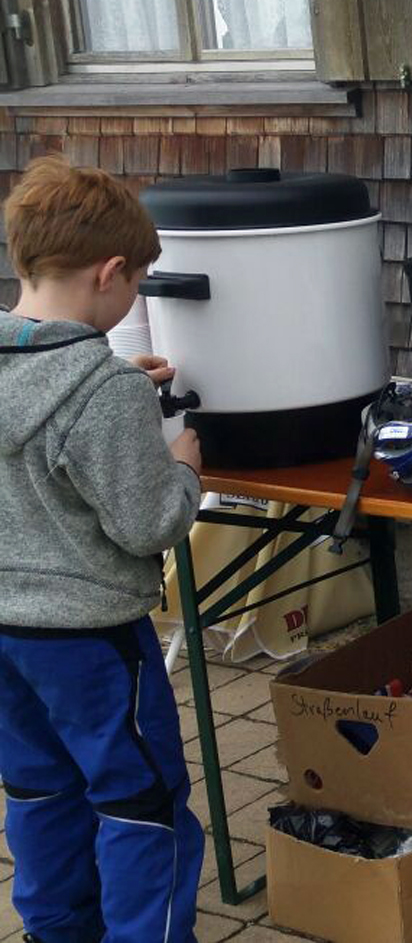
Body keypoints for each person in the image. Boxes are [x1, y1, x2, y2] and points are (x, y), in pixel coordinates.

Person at [0, 155, 203, 942]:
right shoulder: (104, 390)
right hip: (92, 642)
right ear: (111, 274)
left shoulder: (83, 379)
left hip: (7, 635)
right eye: (137, 285)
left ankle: (56, 933)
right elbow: (149, 524)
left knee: (40, 791)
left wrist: (115, 388)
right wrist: (182, 469)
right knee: (139, 802)